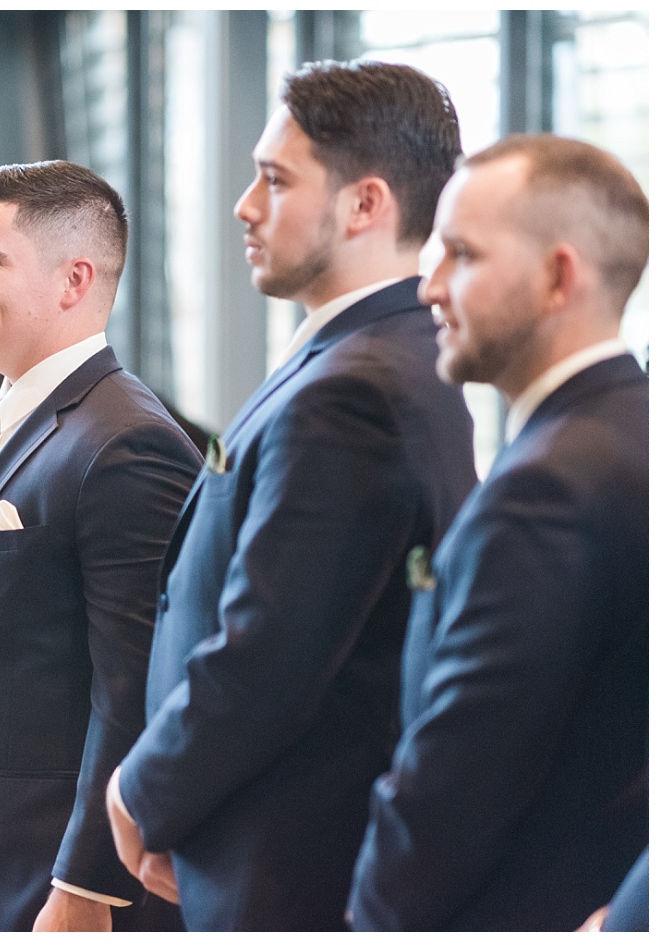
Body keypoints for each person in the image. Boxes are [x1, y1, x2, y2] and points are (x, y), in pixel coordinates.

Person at [107, 60, 477, 931]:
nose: (245, 205)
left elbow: (271, 646)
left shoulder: (357, 389)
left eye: (274, 180)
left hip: (288, 856)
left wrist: (142, 792)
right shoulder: (374, 352)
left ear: (364, 205)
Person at [348, 135, 649, 931]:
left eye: (462, 256)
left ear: (558, 276)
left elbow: (452, 791)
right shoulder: (629, 432)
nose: (428, 284)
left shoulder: (547, 489)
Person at [0, 160, 199, 932]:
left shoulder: (127, 442)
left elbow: (139, 681)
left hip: (57, 874)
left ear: (74, 280)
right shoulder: (15, 412)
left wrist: (88, 884)